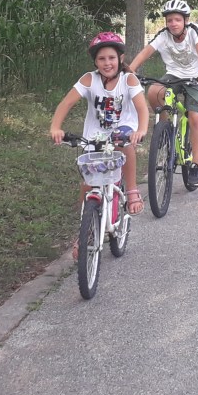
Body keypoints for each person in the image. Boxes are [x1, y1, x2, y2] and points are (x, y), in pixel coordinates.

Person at [50, 32, 150, 257]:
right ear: (95, 62)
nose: (107, 63)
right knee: (88, 182)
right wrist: (56, 127)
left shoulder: (128, 80)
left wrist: (141, 129)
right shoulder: (89, 79)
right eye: (102, 59)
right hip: (95, 134)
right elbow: (66, 103)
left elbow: (142, 108)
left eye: (112, 58)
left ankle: (132, 190)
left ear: (120, 58)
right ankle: (84, 230)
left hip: (123, 128)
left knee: (124, 143)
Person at [127, 0, 198, 188]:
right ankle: (165, 132)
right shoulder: (163, 35)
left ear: (185, 21)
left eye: (177, 20)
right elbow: (145, 53)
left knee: (195, 117)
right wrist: (129, 72)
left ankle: (196, 165)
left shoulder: (194, 32)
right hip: (174, 74)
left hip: (197, 77)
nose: (173, 24)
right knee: (154, 92)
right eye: (169, 20)